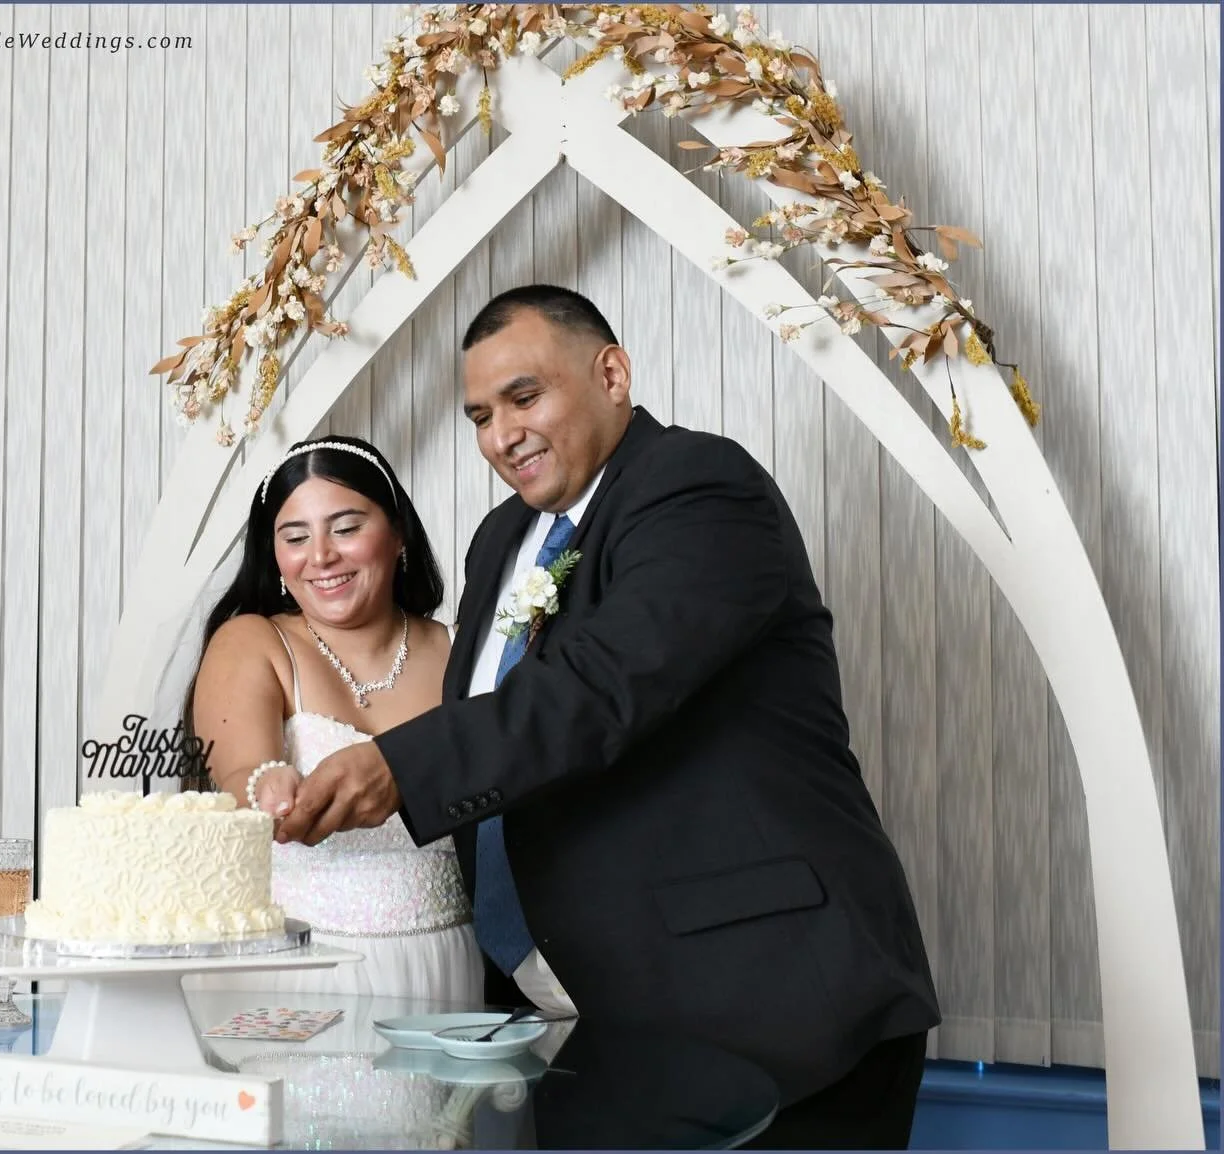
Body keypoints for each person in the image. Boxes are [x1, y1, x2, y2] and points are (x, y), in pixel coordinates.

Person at [262, 286, 942, 1147]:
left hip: (777, 1003)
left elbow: (601, 685)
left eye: (524, 397)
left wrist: (401, 765)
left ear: (611, 374)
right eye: (479, 415)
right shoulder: (500, 540)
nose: (501, 435)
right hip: (591, 1017)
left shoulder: (700, 487)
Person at [186, 434, 483, 1003]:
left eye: (346, 529)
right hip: (293, 971)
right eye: (295, 537)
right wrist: (264, 786)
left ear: (397, 534)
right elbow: (242, 770)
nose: (320, 556)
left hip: (445, 966)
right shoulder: (253, 641)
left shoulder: (461, 650)